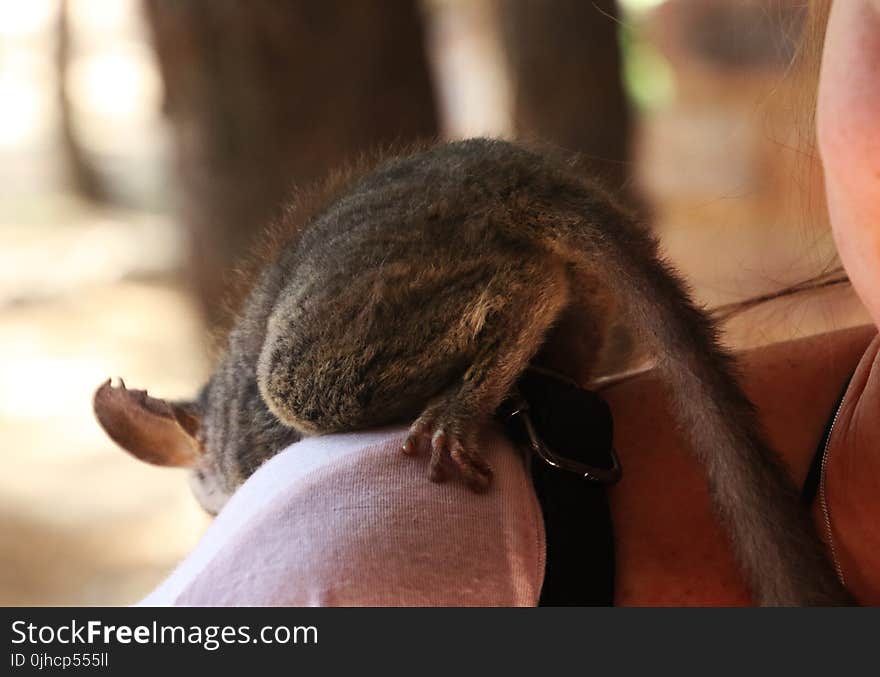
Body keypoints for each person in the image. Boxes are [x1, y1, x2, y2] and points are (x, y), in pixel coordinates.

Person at [141, 0, 879, 606]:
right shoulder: (320, 562)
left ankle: (518, 302)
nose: (236, 517)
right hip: (508, 252)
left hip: (499, 251)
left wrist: (470, 390)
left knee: (299, 386)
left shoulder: (285, 458)